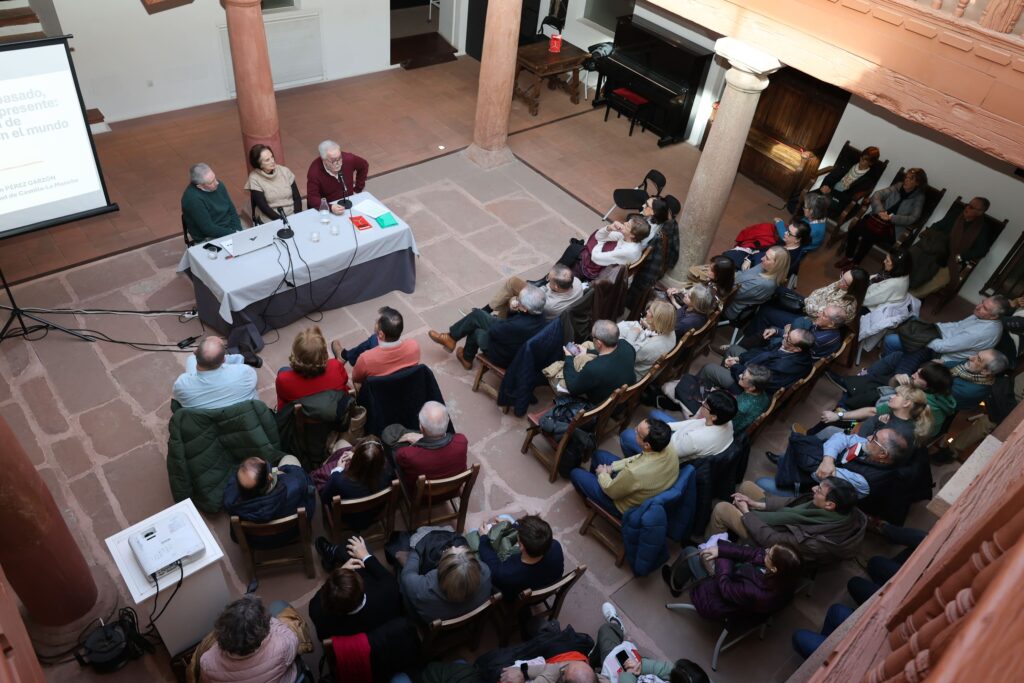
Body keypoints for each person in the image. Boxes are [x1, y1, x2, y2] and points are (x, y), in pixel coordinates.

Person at [707, 477, 866, 566]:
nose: (813, 489)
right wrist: (755, 504)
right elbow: (792, 503)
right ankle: (732, 535)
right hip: (784, 527)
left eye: (818, 490)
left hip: (772, 544)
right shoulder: (836, 508)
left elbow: (771, 540)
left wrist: (747, 513)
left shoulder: (817, 542)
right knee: (747, 486)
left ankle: (708, 554)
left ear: (830, 505)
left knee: (722, 509)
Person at [569, 418, 678, 517]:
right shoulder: (667, 445)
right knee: (598, 455)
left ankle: (592, 497)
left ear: (647, 445)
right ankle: (594, 484)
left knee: (575, 473)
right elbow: (639, 457)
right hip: (644, 487)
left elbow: (611, 491)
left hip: (621, 505)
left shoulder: (634, 473)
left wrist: (603, 474)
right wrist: (612, 467)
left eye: (638, 432)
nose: (634, 430)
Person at [767, 427, 911, 499]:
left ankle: (788, 474)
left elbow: (820, 474)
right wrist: (828, 459)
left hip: (820, 489)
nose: (868, 437)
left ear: (883, 454)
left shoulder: (867, 480)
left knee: (800, 445)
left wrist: (826, 459)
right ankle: (785, 461)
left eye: (874, 438)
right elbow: (842, 438)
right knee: (803, 447)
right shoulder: (873, 449)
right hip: (829, 464)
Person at [428, 285, 548, 370]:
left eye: (519, 301)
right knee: (478, 318)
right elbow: (511, 325)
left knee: (477, 326)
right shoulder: (541, 316)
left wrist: (510, 310)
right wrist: (514, 310)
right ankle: (461, 352)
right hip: (514, 348)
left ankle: (458, 348)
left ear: (525, 308)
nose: (518, 301)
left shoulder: (517, 325)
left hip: (503, 356)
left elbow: (495, 331)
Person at [308, 535, 403, 640]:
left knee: (346, 550)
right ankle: (333, 553)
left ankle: (330, 556)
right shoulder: (389, 590)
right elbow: (384, 575)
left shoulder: (318, 613)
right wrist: (365, 556)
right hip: (380, 630)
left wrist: (340, 572)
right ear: (362, 584)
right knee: (353, 544)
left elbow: (319, 596)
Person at [829, 356, 957, 430]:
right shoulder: (940, 393)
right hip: (892, 420)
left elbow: (873, 412)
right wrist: (896, 378)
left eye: (919, 376)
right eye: (917, 371)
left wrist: (839, 415)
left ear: (929, 385)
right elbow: (891, 386)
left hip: (888, 431)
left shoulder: (916, 401)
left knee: (837, 417)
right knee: (875, 385)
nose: (913, 375)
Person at [685, 542, 802, 621]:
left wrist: (723, 558)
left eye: (769, 554)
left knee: (690, 552)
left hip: (719, 598)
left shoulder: (758, 592)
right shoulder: (787, 576)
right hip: (738, 593)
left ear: (774, 569)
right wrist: (721, 550)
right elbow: (755, 553)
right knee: (715, 551)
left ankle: (677, 584)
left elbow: (725, 587)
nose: (766, 551)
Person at [837, 167, 928, 267]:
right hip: (879, 218)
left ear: (917, 183)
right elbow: (877, 195)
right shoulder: (898, 186)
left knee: (869, 236)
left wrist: (891, 218)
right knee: (855, 229)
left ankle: (855, 263)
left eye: (911, 179)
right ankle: (849, 257)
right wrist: (880, 211)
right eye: (906, 177)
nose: (906, 180)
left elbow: (914, 218)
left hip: (894, 227)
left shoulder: (919, 197)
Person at [199, 595, 299, 683]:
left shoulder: (207, 662)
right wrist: (270, 622)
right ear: (261, 632)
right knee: (278, 605)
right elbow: (293, 638)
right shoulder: (281, 647)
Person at [909, 196, 993, 299]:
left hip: (954, 259)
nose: (967, 208)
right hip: (936, 249)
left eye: (971, 207)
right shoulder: (956, 214)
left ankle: (913, 296)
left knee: (941, 279)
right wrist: (931, 236)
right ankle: (901, 285)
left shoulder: (983, 228)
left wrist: (961, 257)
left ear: (980, 212)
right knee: (913, 256)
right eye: (967, 205)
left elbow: (982, 250)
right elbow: (937, 226)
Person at [882, 295, 1009, 363]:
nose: (978, 306)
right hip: (940, 336)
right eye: (982, 302)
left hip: (942, 354)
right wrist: (932, 326)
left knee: (891, 340)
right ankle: (896, 355)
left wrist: (918, 335)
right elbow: (957, 325)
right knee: (911, 320)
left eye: (985, 308)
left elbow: (942, 347)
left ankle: (890, 363)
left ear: (994, 316)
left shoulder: (980, 333)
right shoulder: (981, 315)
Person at [619, 390, 736, 464]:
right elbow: (692, 424)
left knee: (627, 435)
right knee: (655, 414)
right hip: (682, 437)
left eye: (705, 404)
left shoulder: (695, 439)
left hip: (669, 453)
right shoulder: (727, 421)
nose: (702, 403)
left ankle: (638, 463)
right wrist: (666, 426)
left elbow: (665, 452)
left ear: (714, 416)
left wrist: (648, 433)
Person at [746, 268, 867, 337]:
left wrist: (812, 301)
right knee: (777, 290)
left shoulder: (846, 305)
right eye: (842, 276)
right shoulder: (842, 284)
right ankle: (755, 323)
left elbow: (816, 313)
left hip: (810, 323)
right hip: (809, 306)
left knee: (766, 312)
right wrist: (812, 301)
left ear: (853, 288)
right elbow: (817, 292)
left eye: (845, 282)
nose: (840, 281)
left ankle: (750, 339)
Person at [223, 456, 315, 538]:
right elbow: (301, 476)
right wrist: (281, 471)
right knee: (289, 458)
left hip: (256, 541)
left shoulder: (230, 501)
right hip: (291, 533)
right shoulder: (296, 485)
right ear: (270, 477)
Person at [699, 327, 814, 393]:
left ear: (797, 349)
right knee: (733, 349)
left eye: (788, 338)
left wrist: (734, 366)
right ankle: (718, 386)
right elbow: (763, 352)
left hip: (751, 390)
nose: (784, 336)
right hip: (754, 371)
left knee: (709, 369)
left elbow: (755, 381)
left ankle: (698, 393)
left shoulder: (782, 366)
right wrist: (739, 358)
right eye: (787, 334)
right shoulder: (790, 346)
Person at [398, 544, 492, 623]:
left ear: (441, 569)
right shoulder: (486, 573)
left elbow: (407, 575)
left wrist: (416, 550)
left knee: (400, 555)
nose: (453, 546)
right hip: (466, 615)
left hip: (427, 619)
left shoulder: (423, 590)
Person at [386, 401, 468, 492]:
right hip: (452, 490)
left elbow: (398, 456)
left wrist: (419, 441)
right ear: (448, 420)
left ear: (421, 427)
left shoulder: (408, 455)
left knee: (389, 436)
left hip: (423, 497)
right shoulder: (461, 441)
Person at [477, 514, 564, 600]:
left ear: (521, 546)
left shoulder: (506, 573)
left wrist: (484, 538)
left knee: (475, 536)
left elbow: (492, 565)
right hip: (543, 590)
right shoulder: (555, 546)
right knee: (506, 517)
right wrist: (511, 524)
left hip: (512, 597)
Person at [817, 384, 933, 445]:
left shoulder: (897, 433)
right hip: (857, 431)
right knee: (831, 422)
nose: (891, 396)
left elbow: (867, 446)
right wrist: (839, 415)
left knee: (829, 431)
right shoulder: (894, 413)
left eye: (897, 395)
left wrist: (877, 425)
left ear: (906, 403)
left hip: (855, 443)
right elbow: (871, 412)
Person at [317, 437, 393, 529]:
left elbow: (325, 498)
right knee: (342, 444)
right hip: (373, 513)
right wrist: (360, 458)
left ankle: (326, 458)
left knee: (341, 443)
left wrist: (338, 469)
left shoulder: (338, 480)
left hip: (349, 519)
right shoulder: (388, 470)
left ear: (356, 460)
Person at [563, 320, 637, 406]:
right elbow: (611, 352)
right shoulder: (626, 345)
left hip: (600, 403)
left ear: (598, 343)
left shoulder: (594, 368)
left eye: (593, 336)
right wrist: (587, 351)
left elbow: (573, 388)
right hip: (622, 394)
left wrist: (568, 357)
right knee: (587, 345)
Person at [341, 307, 421, 385]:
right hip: (405, 386)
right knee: (373, 339)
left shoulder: (366, 359)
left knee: (373, 339)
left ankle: (346, 356)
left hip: (379, 391)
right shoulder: (413, 346)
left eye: (377, 322)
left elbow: (356, 379)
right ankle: (347, 355)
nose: (375, 322)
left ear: (381, 334)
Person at [172, 336, 258, 409]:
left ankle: (240, 357)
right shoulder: (245, 372)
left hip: (205, 421)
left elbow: (179, 399)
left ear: (195, 353)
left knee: (191, 359)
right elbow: (253, 382)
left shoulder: (182, 384)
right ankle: (243, 358)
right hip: (242, 416)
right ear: (223, 360)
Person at [274, 326, 349, 410]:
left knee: (283, 370)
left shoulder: (284, 380)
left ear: (295, 355)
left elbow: (283, 402)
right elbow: (345, 381)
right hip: (335, 413)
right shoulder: (336, 366)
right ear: (324, 353)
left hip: (303, 417)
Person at [800, 146, 882, 220]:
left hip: (840, 200)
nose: (861, 160)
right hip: (829, 190)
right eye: (861, 157)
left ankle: (808, 222)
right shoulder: (849, 164)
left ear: (871, 163)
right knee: (806, 197)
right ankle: (803, 220)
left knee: (819, 204)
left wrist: (831, 192)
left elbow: (850, 196)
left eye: (864, 160)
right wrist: (826, 186)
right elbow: (832, 175)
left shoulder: (867, 179)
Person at [740, 305, 848, 361]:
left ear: (831, 324)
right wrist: (779, 331)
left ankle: (740, 353)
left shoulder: (818, 339)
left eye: (824, 315)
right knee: (771, 330)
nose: (819, 314)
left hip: (793, 356)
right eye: (822, 311)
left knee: (766, 337)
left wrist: (786, 332)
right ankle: (742, 351)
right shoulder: (826, 327)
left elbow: (793, 348)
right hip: (796, 346)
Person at [562, 216, 650, 282]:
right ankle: (558, 275)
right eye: (627, 222)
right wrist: (609, 228)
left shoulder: (629, 250)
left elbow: (596, 257)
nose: (624, 223)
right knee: (574, 249)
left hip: (604, 274)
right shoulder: (627, 238)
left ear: (632, 235)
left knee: (574, 250)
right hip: (608, 264)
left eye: (628, 225)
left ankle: (560, 279)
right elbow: (598, 236)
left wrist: (600, 242)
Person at [487, 264, 585, 321]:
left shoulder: (550, 304)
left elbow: (534, 302)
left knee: (510, 299)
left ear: (556, 286)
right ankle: (491, 311)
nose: (547, 280)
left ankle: (496, 320)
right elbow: (545, 288)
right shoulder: (576, 282)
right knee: (513, 282)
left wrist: (516, 300)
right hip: (541, 298)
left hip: (535, 311)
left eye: (549, 279)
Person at [723, 246, 791, 321]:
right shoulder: (765, 266)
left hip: (729, 305)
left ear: (776, 265)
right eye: (765, 255)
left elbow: (731, 295)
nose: (762, 258)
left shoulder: (762, 283)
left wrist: (720, 279)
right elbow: (743, 275)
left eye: (767, 258)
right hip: (732, 285)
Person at [181, 162, 242, 242]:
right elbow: (208, 229)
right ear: (200, 186)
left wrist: (238, 230)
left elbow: (231, 209)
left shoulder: (219, 185)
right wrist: (233, 233)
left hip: (229, 228)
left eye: (215, 178)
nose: (217, 183)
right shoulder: (192, 200)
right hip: (208, 236)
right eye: (211, 182)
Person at [616, 299, 677, 380]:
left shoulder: (648, 347)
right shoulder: (671, 332)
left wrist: (632, 335)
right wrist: (650, 326)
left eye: (649, 311)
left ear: (655, 319)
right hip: (647, 364)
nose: (646, 312)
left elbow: (625, 357)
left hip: (631, 375)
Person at [306, 139, 369, 214]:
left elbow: (364, 165)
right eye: (333, 161)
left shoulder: (348, 159)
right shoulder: (314, 172)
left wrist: (357, 189)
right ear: (324, 160)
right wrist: (330, 207)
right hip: (330, 207)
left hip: (349, 201)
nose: (338, 163)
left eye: (340, 158)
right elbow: (312, 198)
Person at [244, 144, 302, 224]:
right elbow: (264, 208)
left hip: (292, 213)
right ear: (259, 164)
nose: (272, 161)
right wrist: (283, 221)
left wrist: (297, 216)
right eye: (267, 160)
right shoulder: (254, 178)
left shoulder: (285, 171)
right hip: (271, 218)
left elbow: (297, 198)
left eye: (272, 157)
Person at [945, 349, 1010, 410]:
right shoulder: (973, 368)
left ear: (985, 371)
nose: (970, 357)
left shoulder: (970, 391)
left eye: (978, 359)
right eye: (977, 354)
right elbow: (952, 364)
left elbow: (940, 388)